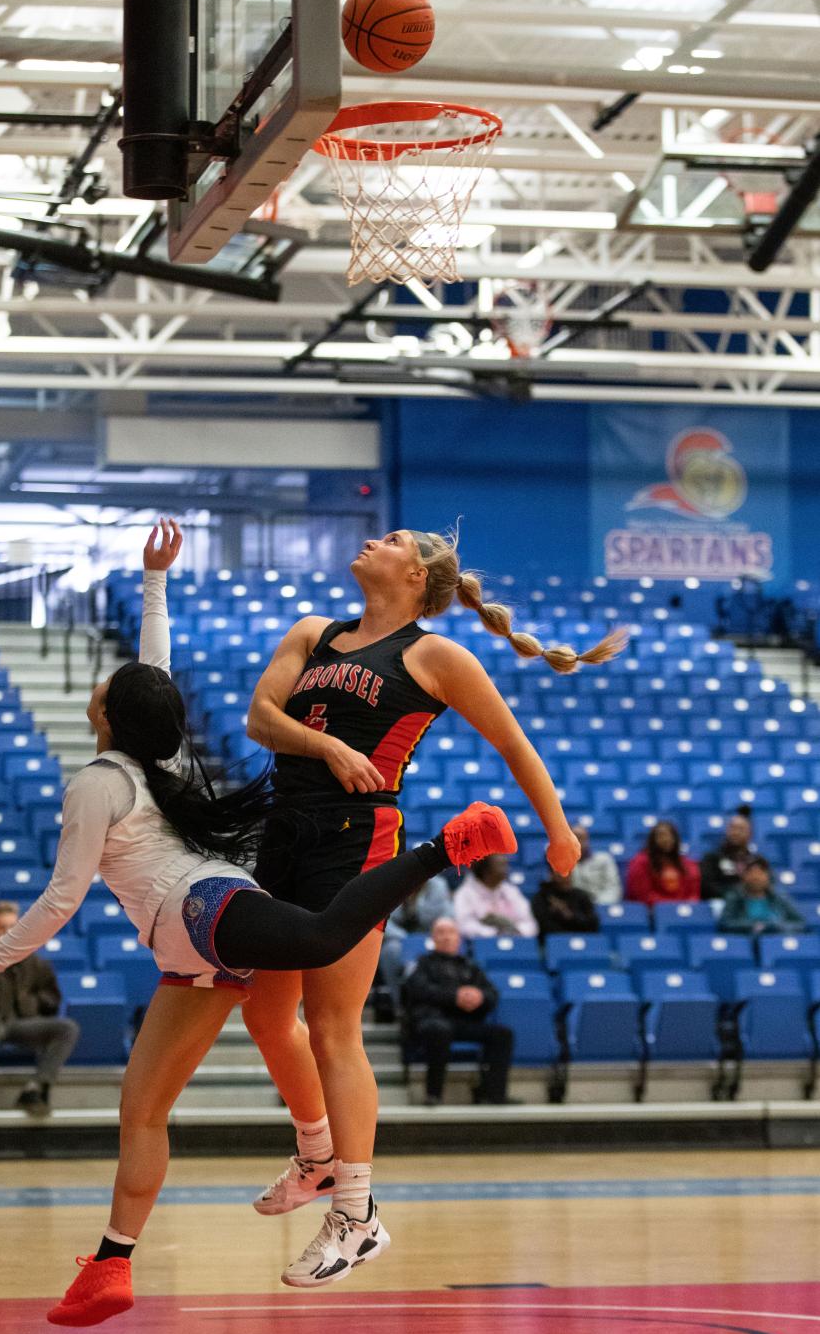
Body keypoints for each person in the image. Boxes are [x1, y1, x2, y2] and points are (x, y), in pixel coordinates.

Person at [0, 519, 516, 1327]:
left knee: (316, 954)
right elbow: (154, 671)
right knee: (142, 1106)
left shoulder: (98, 780)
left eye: (107, 687)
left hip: (205, 907)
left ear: (107, 715)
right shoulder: (154, 756)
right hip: (186, 948)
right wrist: (153, 582)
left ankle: (442, 847)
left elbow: (62, 900)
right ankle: (112, 1261)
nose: (105, 688)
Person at [241, 525, 626, 1284]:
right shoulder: (314, 632)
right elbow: (261, 717)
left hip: (357, 837)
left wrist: (557, 833)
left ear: (417, 574)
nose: (367, 540)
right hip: (283, 829)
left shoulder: (436, 656)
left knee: (331, 1024)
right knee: (262, 1013)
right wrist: (327, 747)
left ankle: (355, 1213)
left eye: (386, 538)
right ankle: (317, 1151)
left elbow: (515, 744)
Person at [0, 900, 80, 1118]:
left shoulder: (36, 963)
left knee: (68, 1028)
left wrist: (36, 1001)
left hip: (24, 1024)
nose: (8, 932)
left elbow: (53, 998)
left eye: (12, 927)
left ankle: (35, 1089)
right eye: (2, 927)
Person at [401, 916, 515, 1106]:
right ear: (433, 938)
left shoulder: (469, 965)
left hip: (464, 1021)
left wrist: (480, 997)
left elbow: (492, 993)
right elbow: (418, 990)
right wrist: (455, 996)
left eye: (451, 933)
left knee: (503, 1034)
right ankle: (433, 1094)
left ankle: (495, 1095)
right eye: (441, 933)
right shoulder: (422, 963)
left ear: (459, 938)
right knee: (439, 1030)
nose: (446, 937)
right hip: (431, 1020)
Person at [376, 875, 453, 1016]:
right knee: (390, 951)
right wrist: (406, 939)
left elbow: (445, 917)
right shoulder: (391, 881)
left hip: (430, 936)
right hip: (399, 938)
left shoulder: (438, 885)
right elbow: (382, 919)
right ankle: (398, 1003)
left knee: (446, 942)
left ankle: (442, 1007)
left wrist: (416, 903)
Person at [453, 854, 537, 938]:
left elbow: (531, 924)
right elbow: (463, 926)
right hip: (481, 946)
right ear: (485, 868)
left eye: (506, 865)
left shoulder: (511, 891)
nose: (506, 869)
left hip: (515, 943)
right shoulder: (465, 894)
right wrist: (495, 932)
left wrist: (515, 930)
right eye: (501, 865)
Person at [718, 856, 806, 936]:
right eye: (751, 872)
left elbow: (800, 923)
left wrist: (775, 927)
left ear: (768, 876)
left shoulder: (779, 897)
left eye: (760, 872)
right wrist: (752, 926)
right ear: (744, 876)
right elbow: (725, 923)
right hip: (746, 941)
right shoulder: (735, 897)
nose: (756, 877)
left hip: (775, 940)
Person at [624, 821, 701, 907]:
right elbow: (643, 895)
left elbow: (693, 893)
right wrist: (669, 908)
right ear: (652, 839)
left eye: (671, 835)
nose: (667, 839)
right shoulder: (640, 862)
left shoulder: (687, 863)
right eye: (661, 835)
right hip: (652, 912)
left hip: (683, 911)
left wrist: (684, 907)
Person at [700, 808, 757, 901]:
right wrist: (733, 897)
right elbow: (707, 886)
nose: (736, 833)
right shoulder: (712, 857)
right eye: (732, 828)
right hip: (722, 903)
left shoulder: (755, 860)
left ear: (750, 833)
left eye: (741, 829)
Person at [530, 871, 599, 940]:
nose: (565, 879)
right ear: (551, 876)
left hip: (583, 940)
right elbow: (542, 925)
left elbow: (593, 924)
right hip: (553, 942)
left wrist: (571, 916)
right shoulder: (542, 897)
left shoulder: (581, 896)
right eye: (560, 876)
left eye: (568, 875)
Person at [569, 823, 621, 906]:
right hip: (576, 909)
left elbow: (613, 889)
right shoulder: (565, 864)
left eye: (581, 838)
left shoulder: (604, 859)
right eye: (575, 838)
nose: (578, 842)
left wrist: (596, 905)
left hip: (602, 905)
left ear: (587, 839)